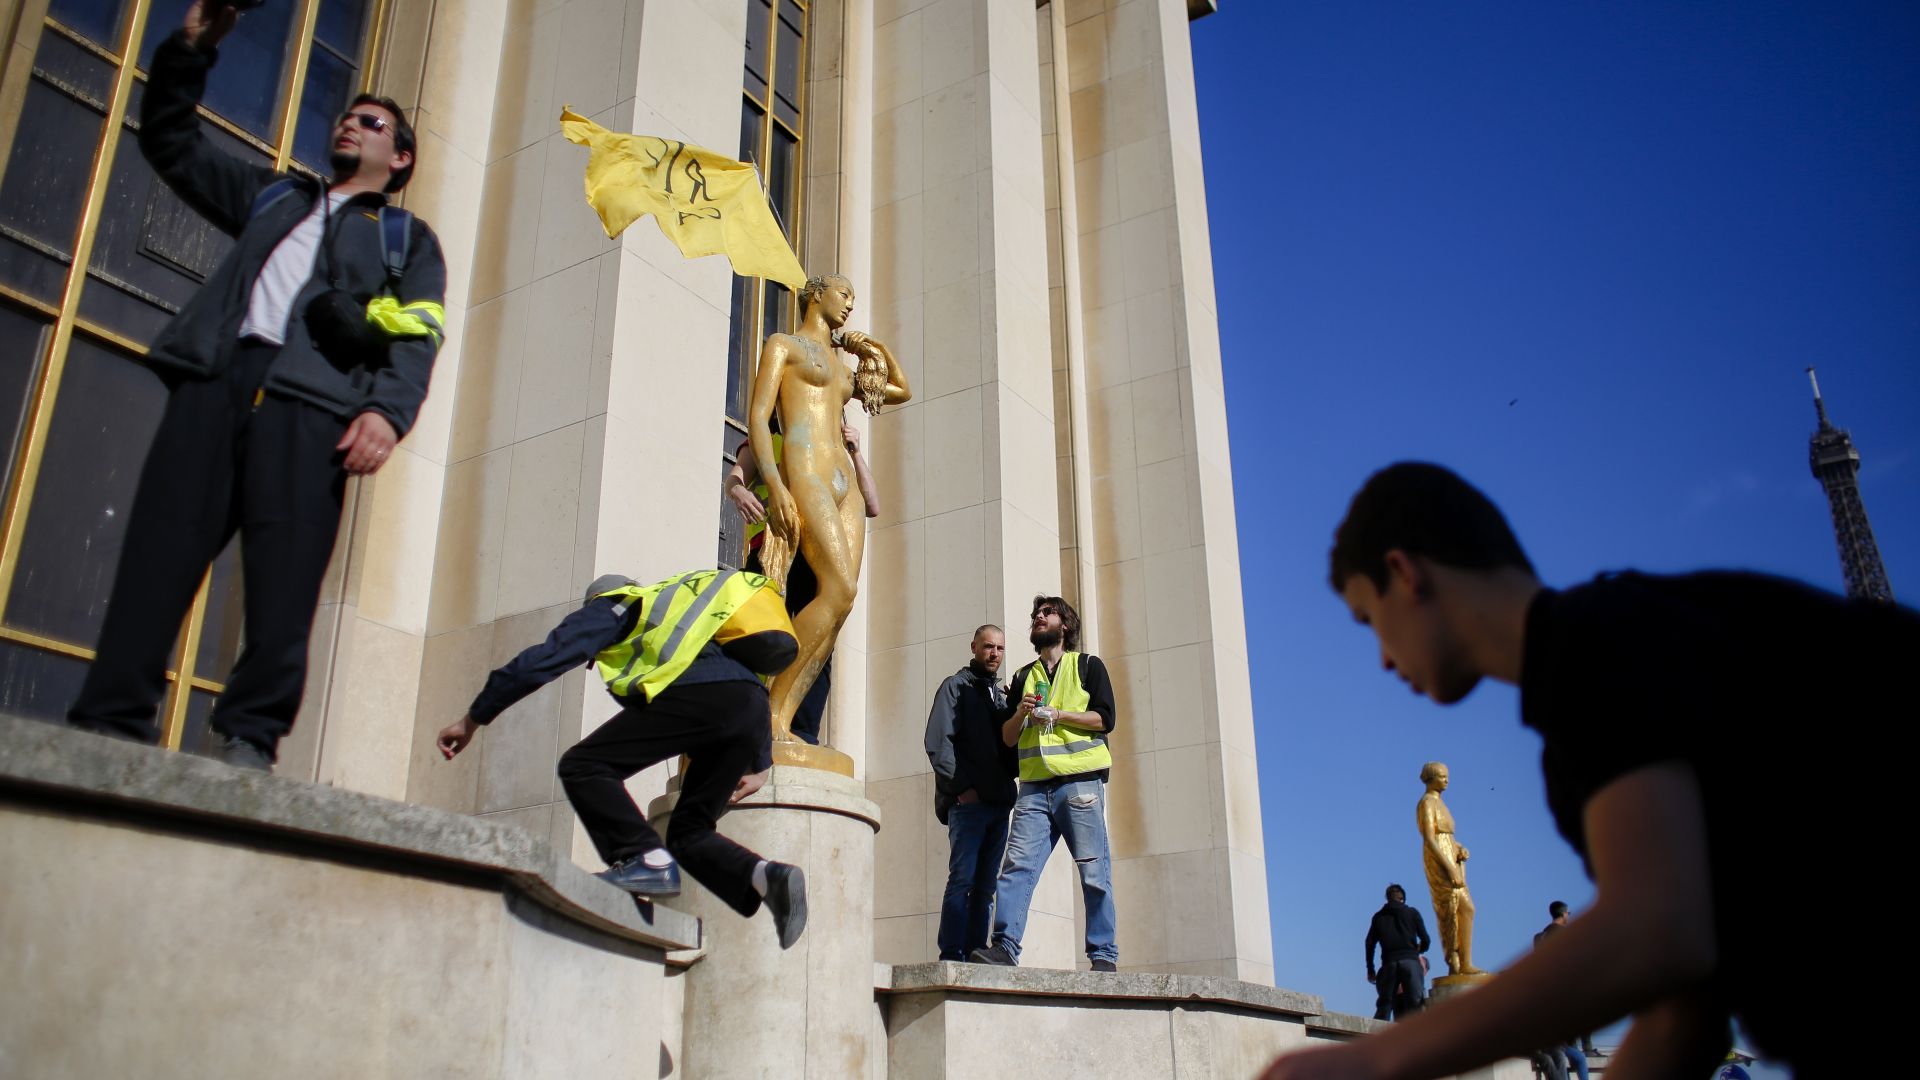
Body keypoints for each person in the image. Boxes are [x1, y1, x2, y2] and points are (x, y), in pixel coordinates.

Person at [1261, 462, 1918, 1079]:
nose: (1380, 657)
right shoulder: (1624, 643)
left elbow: (1656, 934)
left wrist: (1376, 1060)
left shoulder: (1593, 651)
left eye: (1369, 620)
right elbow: (1682, 1014)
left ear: (1405, 575)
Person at [64, 0, 447, 771]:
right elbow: (170, 140)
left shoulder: (406, 240)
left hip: (312, 410)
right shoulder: (275, 197)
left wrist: (387, 413)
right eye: (348, 118)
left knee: (286, 580)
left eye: (372, 124)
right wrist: (192, 48)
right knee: (157, 555)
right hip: (217, 383)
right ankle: (110, 720)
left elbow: (421, 334)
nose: (350, 126)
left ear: (400, 158)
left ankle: (248, 736)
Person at [436, 569, 810, 948]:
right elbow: (743, 679)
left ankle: (643, 858)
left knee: (584, 765)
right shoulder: (676, 613)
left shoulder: (614, 606)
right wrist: (762, 764)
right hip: (749, 709)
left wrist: (473, 718)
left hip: (706, 698)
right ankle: (768, 877)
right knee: (689, 833)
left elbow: (543, 660)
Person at [748, 273, 909, 741]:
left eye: (855, 300)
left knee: (842, 600)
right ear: (816, 294)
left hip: (845, 484)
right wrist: (774, 483)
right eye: (844, 296)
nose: (849, 306)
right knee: (837, 587)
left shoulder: (841, 368)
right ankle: (769, 710)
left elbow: (900, 390)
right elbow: (759, 416)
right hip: (806, 472)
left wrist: (872, 349)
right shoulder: (784, 344)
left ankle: (783, 716)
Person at [970, 595, 1120, 972]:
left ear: (1064, 625)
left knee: (1093, 870)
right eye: (1035, 614)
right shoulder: (1023, 676)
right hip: (1035, 789)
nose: (1038, 618)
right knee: (1016, 867)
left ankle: (1103, 955)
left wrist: (1060, 714)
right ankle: (1004, 947)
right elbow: (1007, 738)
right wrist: (1021, 713)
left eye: (1046, 613)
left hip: (1080, 785)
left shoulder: (1087, 666)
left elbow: (1105, 719)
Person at [726, 409, 879, 744]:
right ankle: (747, 718)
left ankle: (803, 731)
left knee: (817, 643)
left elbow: (872, 504)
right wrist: (738, 491)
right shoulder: (769, 439)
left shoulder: (836, 451)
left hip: (814, 557)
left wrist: (856, 451)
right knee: (758, 634)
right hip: (773, 549)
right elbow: (736, 478)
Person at [923, 625, 1018, 962]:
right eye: (988, 647)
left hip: (998, 805)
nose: (994, 654)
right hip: (969, 805)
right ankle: (951, 955)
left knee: (986, 886)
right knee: (962, 880)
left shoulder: (1001, 696)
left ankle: (977, 955)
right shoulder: (955, 687)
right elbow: (938, 744)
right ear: (974, 646)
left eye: (1000, 649)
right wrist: (962, 789)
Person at [1535, 902, 1593, 1080]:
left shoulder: (1543, 935)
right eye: (1568, 913)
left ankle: (1576, 1046)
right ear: (1564, 914)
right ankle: (1587, 1046)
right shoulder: (1566, 934)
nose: (1569, 916)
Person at [1365, 884, 1432, 1020]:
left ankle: (1378, 1036)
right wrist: (1420, 949)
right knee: (1415, 1004)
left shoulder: (1378, 917)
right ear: (1402, 899)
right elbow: (1426, 939)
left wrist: (1370, 969)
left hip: (1389, 963)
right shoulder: (1412, 913)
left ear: (1387, 899)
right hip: (1410, 961)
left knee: (1385, 1004)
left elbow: (1369, 944)